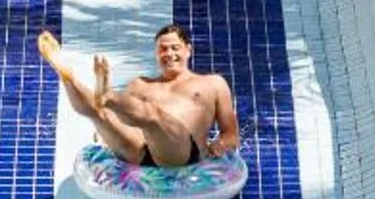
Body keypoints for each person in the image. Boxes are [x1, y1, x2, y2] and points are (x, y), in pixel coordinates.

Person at [37, 25, 241, 169]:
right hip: (139, 149)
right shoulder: (140, 84)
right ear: (156, 54)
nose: (168, 54)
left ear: (188, 50)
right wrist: (105, 133)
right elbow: (123, 120)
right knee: (99, 114)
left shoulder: (213, 83)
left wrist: (218, 147)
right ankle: (67, 76)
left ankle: (106, 94)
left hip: (180, 152)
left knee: (153, 116)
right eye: (162, 49)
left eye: (174, 48)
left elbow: (231, 134)